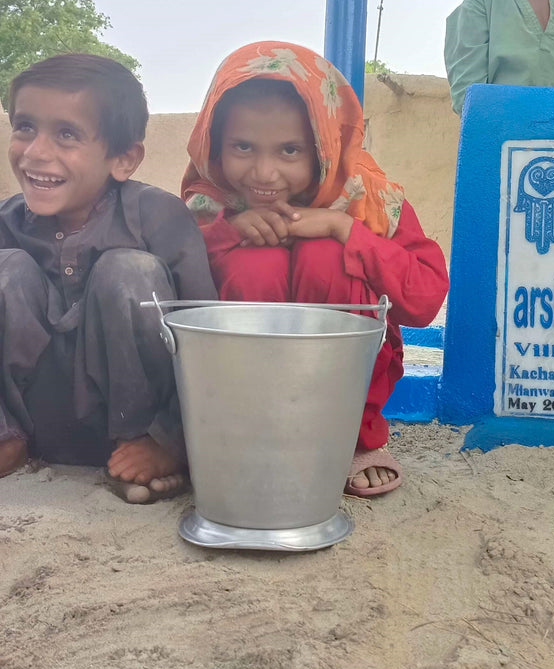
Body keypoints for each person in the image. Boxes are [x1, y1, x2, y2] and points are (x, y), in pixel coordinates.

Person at [182, 41, 449, 496]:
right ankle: (245, 435)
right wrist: (229, 233)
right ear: (214, 140)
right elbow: (169, 280)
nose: (264, 173)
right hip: (236, 390)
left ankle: (351, 439)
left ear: (326, 145)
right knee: (254, 265)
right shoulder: (207, 202)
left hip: (348, 383)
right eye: (243, 146)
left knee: (325, 255)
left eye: (289, 151)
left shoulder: (369, 201)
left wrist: (347, 230)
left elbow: (423, 300)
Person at [0, 53, 217, 503]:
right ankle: (7, 437)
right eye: (24, 126)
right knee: (7, 269)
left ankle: (155, 447)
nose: (36, 151)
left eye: (66, 134)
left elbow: (206, 334)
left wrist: (174, 436)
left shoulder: (157, 217)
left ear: (123, 159)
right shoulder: (6, 221)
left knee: (128, 271)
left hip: (131, 429)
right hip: (39, 420)